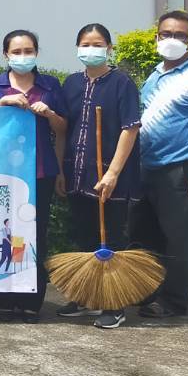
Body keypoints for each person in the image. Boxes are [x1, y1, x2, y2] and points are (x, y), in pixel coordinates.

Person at [130, 10, 188, 319]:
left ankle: (173, 301)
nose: (172, 39)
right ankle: (148, 294)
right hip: (146, 166)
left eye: (180, 35)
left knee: (180, 239)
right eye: (166, 34)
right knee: (146, 235)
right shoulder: (155, 75)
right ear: (156, 37)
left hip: (181, 169)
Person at [56, 22, 142, 330]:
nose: (90, 49)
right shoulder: (71, 83)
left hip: (110, 176)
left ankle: (113, 305)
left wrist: (113, 173)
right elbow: (63, 129)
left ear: (109, 48)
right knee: (83, 237)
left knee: (111, 240)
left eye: (97, 44)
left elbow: (130, 129)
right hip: (78, 174)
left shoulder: (122, 83)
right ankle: (84, 296)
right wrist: (61, 170)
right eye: (85, 44)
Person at [0, 29, 66, 322]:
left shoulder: (50, 86)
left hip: (40, 171)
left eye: (28, 51)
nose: (22, 56)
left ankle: (31, 300)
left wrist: (49, 114)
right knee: (3, 234)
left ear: (37, 53)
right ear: (5, 54)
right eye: (16, 52)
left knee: (35, 235)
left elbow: (63, 129)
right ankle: (4, 299)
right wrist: (1, 105)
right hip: (2, 173)